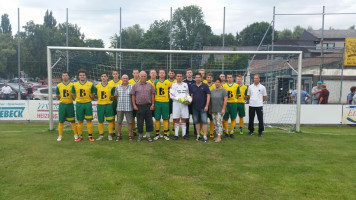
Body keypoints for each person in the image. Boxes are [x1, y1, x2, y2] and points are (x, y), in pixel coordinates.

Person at [130, 71, 155, 142]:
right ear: (139, 76)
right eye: (142, 76)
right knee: (139, 122)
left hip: (148, 106)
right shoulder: (135, 85)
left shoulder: (150, 85)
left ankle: (148, 136)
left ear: (146, 77)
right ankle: (140, 136)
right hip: (139, 106)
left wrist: (153, 104)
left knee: (149, 121)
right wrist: (134, 105)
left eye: (144, 76)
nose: (143, 77)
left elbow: (152, 95)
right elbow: (133, 95)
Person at [72, 70, 96, 142]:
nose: (82, 76)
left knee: (89, 120)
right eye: (80, 75)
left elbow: (94, 94)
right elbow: (73, 94)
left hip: (87, 104)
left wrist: (91, 98)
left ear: (86, 76)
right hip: (79, 104)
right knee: (80, 121)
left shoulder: (90, 84)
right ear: (78, 76)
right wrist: (76, 99)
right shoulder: (75, 84)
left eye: (83, 75)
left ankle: (90, 136)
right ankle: (80, 136)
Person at [55, 72, 78, 141]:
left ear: (68, 76)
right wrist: (62, 100)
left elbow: (74, 95)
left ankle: (75, 134)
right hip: (62, 105)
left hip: (70, 105)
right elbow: (57, 95)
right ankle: (60, 135)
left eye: (66, 75)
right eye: (63, 75)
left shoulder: (72, 85)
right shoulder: (59, 85)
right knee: (61, 121)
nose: (65, 77)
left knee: (72, 121)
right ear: (62, 77)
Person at [95, 72, 116, 141]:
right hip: (100, 105)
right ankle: (101, 135)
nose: (103, 78)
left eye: (105, 76)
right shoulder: (97, 86)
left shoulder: (111, 86)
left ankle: (110, 134)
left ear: (107, 77)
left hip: (108, 105)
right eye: (102, 76)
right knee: (100, 121)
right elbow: (95, 95)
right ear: (101, 78)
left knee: (110, 120)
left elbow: (113, 97)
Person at [190, 73, 210, 142]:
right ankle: (198, 135)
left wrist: (207, 105)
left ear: (201, 78)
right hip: (195, 107)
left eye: (199, 77)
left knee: (204, 121)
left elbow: (208, 96)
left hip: (203, 107)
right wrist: (190, 101)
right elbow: (191, 96)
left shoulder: (205, 86)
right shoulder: (192, 86)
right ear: (195, 78)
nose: (198, 78)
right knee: (196, 121)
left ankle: (205, 136)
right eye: (196, 77)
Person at [170, 72, 190, 140]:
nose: (179, 77)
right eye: (178, 76)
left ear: (182, 77)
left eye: (180, 76)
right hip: (176, 104)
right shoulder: (173, 85)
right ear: (176, 77)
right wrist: (179, 99)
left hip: (184, 104)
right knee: (177, 119)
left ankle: (184, 135)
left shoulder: (185, 84)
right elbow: (171, 95)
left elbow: (187, 93)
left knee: (184, 119)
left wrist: (188, 99)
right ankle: (176, 135)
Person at [153, 69, 171, 141]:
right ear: (158, 74)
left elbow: (171, 92)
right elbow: (153, 93)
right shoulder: (156, 82)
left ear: (165, 74)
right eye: (160, 73)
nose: (162, 74)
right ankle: (157, 134)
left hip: (165, 102)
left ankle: (165, 134)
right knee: (157, 118)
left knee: (165, 118)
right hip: (157, 102)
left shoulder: (168, 82)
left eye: (163, 73)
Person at [115, 74, 134, 141]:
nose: (125, 79)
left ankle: (130, 134)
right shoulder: (117, 87)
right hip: (120, 107)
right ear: (121, 79)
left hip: (129, 107)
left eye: (126, 78)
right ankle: (119, 134)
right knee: (119, 122)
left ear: (128, 79)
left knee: (129, 122)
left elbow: (133, 97)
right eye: (124, 78)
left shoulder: (131, 87)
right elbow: (116, 96)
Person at [209, 78, 228, 143]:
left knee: (219, 123)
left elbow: (225, 100)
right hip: (213, 109)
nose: (217, 83)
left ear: (220, 83)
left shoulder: (223, 91)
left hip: (220, 110)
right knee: (215, 123)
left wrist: (223, 109)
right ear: (214, 83)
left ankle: (219, 137)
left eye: (218, 82)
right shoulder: (212, 91)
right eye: (216, 82)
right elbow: (210, 100)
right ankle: (217, 135)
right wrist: (210, 109)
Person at [222, 74, 239, 138]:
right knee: (225, 118)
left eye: (230, 77)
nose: (229, 78)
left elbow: (238, 95)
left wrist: (234, 99)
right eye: (228, 77)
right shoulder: (223, 85)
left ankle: (231, 132)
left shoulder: (236, 86)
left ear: (232, 78)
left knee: (233, 118)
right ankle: (226, 132)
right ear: (226, 78)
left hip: (233, 104)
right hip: (226, 103)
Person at [183, 68, 197, 137]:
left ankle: (196, 132)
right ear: (186, 74)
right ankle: (186, 132)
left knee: (195, 117)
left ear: (192, 74)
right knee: (186, 117)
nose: (189, 73)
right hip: (186, 103)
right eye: (188, 72)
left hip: (194, 102)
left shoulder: (195, 82)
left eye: (190, 72)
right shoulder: (183, 82)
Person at [108, 70, 122, 135]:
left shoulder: (121, 82)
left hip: (120, 101)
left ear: (118, 74)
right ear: (112, 75)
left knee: (119, 117)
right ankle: (113, 130)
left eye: (116, 74)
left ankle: (119, 131)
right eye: (114, 74)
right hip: (112, 102)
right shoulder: (109, 83)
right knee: (112, 116)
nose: (115, 75)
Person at [129, 69, 140, 135]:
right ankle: (133, 130)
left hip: (140, 101)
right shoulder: (130, 81)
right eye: (134, 73)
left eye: (137, 73)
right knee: (132, 117)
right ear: (132, 74)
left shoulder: (141, 80)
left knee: (139, 117)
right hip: (132, 101)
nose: (136, 74)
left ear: (139, 74)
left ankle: (139, 129)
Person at [206, 73, 216, 138]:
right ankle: (205, 131)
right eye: (208, 77)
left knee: (212, 119)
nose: (209, 78)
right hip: (205, 104)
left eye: (210, 77)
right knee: (204, 119)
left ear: (212, 78)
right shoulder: (204, 85)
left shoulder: (215, 86)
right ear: (206, 78)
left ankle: (211, 132)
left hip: (212, 104)